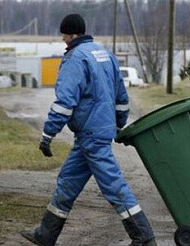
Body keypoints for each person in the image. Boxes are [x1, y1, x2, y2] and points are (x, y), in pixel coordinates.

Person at [21, 13, 157, 246]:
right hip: (95, 133)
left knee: (114, 186)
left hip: (90, 135)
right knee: (68, 181)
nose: (63, 39)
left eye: (64, 35)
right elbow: (121, 98)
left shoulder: (75, 59)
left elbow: (64, 103)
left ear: (71, 34)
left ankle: (144, 237)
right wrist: (117, 123)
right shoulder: (105, 54)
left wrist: (48, 134)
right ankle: (45, 235)